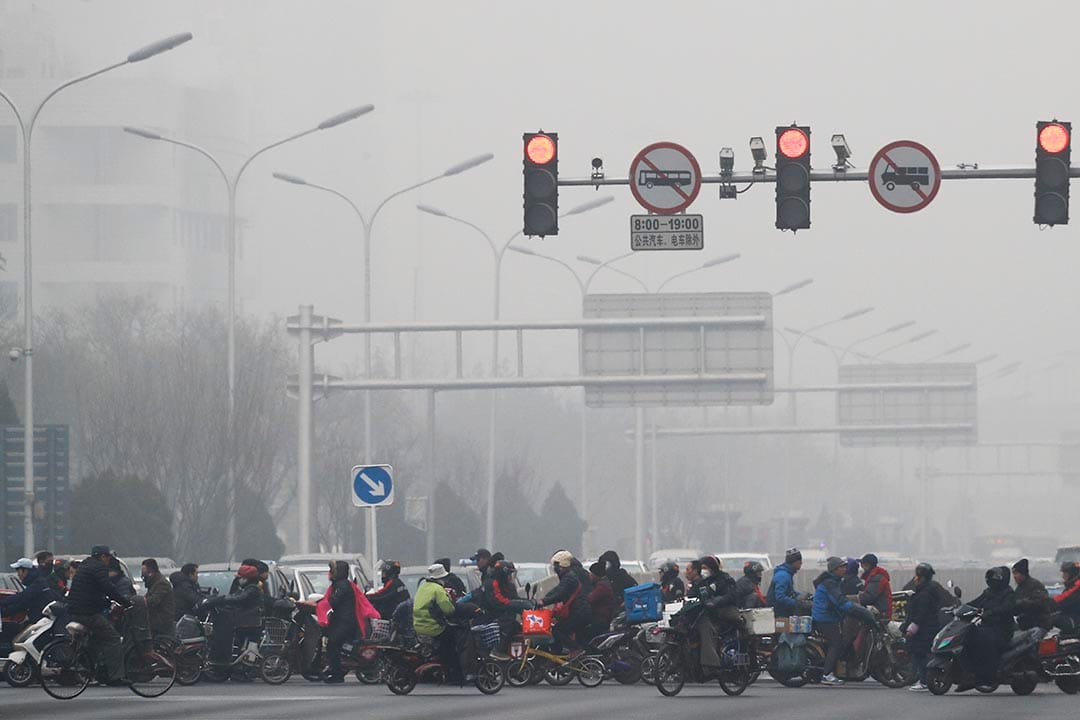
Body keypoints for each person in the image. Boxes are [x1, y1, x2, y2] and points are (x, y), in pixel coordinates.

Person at [66, 546, 132, 685]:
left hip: (75, 610)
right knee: (113, 638)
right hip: (87, 612)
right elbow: (107, 587)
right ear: (102, 557)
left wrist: (105, 602)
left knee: (96, 638)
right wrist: (125, 602)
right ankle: (116, 677)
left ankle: (91, 669)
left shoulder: (85, 565)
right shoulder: (99, 567)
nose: (108, 561)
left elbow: (91, 590)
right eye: (107, 557)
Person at [958, 566, 1016, 691]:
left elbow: (1007, 608)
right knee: (967, 635)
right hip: (987, 626)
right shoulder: (988, 592)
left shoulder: (1009, 593)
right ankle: (969, 673)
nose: (991, 581)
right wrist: (959, 608)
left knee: (984, 640)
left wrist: (991, 612)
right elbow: (976, 602)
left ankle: (988, 676)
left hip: (1002, 629)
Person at [813, 556, 868, 686]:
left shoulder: (834, 581)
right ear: (834, 569)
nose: (844, 569)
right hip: (825, 617)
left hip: (830, 616)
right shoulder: (830, 583)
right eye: (842, 567)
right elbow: (839, 601)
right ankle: (826, 674)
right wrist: (856, 609)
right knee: (836, 643)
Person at [203, 560, 264, 676]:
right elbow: (234, 597)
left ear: (247, 579)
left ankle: (244, 668)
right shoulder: (246, 588)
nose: (238, 580)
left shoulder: (252, 589)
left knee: (242, 644)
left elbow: (238, 599)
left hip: (249, 621)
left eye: (241, 578)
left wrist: (220, 600)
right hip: (244, 620)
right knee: (239, 644)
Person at [413, 563, 461, 682]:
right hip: (433, 627)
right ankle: (453, 672)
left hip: (418, 627)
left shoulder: (422, 587)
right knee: (451, 641)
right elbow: (448, 609)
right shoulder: (438, 589)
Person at [903, 563, 945, 692]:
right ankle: (923, 680)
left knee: (920, 654)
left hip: (924, 629)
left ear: (921, 577)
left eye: (916, 576)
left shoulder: (925, 593)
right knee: (922, 654)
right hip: (928, 627)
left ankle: (924, 681)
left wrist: (912, 627)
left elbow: (921, 614)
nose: (915, 578)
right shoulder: (928, 590)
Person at [539, 551, 591, 656]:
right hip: (581, 611)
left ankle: (575, 650)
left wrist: (543, 602)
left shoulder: (569, 578)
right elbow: (557, 590)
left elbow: (560, 593)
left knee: (558, 630)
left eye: (556, 566)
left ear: (560, 566)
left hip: (579, 612)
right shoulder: (568, 576)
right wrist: (545, 598)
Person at [322, 561, 360, 683]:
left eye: (331, 571)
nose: (329, 573)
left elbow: (332, 601)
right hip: (340, 621)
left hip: (344, 623)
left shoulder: (342, 586)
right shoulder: (338, 585)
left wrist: (317, 605)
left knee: (332, 645)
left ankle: (337, 674)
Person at [0, 557, 59, 622]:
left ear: (25, 571)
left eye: (18, 572)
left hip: (42, 620)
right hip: (41, 619)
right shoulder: (36, 581)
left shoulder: (37, 584)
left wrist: (3, 603)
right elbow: (21, 602)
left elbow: (22, 598)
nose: (18, 575)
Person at [1011, 558, 1054, 633]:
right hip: (1024, 626)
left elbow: (1040, 602)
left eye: (1016, 573)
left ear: (1023, 574)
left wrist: (1022, 603)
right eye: (1013, 574)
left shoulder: (1035, 585)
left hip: (1039, 625)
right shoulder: (1019, 589)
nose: (1014, 576)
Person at [767, 548, 812, 617]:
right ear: (794, 562)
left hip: (781, 609)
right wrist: (797, 604)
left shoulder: (786, 573)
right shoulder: (783, 576)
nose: (801, 563)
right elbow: (780, 597)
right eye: (799, 562)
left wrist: (801, 596)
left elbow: (790, 592)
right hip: (778, 611)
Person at [141, 559, 175, 640]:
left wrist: (141, 601)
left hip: (161, 623)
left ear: (151, 571)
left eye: (144, 571)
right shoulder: (153, 583)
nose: (142, 574)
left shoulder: (161, 583)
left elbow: (153, 600)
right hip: (156, 622)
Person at [587, 561, 617, 638]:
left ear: (596, 575)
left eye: (591, 573)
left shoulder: (602, 586)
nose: (589, 575)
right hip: (602, 616)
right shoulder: (602, 583)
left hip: (601, 618)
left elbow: (591, 598)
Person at [858, 554, 893, 619]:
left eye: (862, 565)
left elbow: (868, 598)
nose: (861, 567)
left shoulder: (876, 578)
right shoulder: (875, 577)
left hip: (880, 614)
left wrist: (853, 599)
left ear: (868, 565)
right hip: (881, 612)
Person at [1053, 561, 1080, 630]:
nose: (1063, 576)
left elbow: (1064, 601)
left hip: (1075, 622)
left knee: (1048, 619)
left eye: (1065, 574)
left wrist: (1048, 603)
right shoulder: (1071, 586)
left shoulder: (1077, 587)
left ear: (1073, 574)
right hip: (1072, 619)